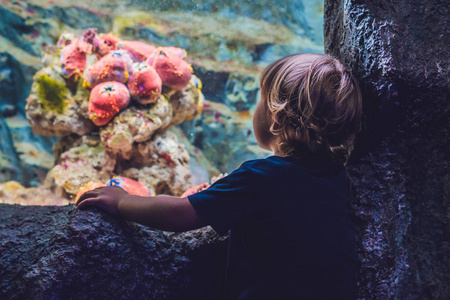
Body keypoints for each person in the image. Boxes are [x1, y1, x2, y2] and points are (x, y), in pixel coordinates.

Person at [76, 53, 363, 300]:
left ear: (276, 118)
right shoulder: (337, 177)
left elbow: (181, 215)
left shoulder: (261, 178)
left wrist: (121, 202)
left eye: (261, 98)